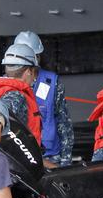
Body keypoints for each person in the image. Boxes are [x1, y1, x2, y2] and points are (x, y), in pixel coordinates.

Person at [15, 30, 73, 168]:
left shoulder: (51, 82)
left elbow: (63, 122)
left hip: (51, 155)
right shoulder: (7, 83)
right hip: (21, 157)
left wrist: (66, 160)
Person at [0, 44, 43, 142]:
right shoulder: (16, 97)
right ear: (29, 71)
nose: (35, 78)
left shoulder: (2, 93)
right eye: (35, 71)